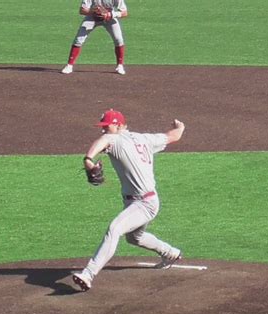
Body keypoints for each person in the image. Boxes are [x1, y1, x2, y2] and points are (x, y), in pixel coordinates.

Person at [73, 109, 186, 291]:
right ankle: (170, 253)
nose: (103, 130)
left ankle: (88, 273)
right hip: (142, 200)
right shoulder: (144, 139)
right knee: (135, 238)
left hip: (144, 203)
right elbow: (173, 136)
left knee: (115, 229)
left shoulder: (114, 139)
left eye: (106, 126)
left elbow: (102, 142)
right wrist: (180, 127)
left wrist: (88, 159)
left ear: (118, 125)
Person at [61, 0, 128, 75]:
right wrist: (94, 12)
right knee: (78, 40)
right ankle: (69, 65)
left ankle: (120, 65)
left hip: (109, 18)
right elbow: (82, 10)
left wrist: (110, 14)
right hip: (91, 17)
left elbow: (124, 12)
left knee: (119, 39)